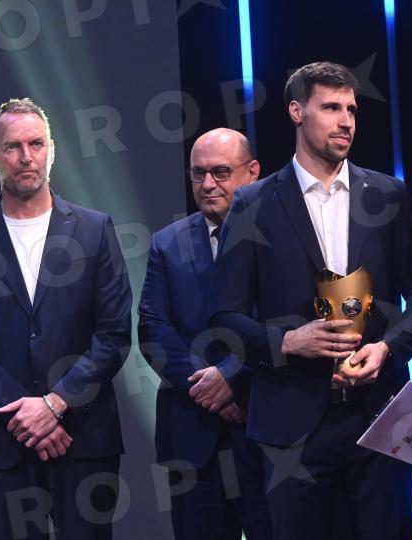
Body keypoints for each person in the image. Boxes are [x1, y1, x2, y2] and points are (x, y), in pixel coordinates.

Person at [208, 61, 412, 539]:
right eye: (331, 107)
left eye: (351, 110)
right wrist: (287, 342)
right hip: (291, 427)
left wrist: (388, 348)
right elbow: (225, 317)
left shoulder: (389, 195)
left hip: (378, 418)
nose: (346, 121)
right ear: (296, 111)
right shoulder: (253, 203)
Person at [0, 98, 132, 539]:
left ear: (52, 150)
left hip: (83, 436)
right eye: (12, 147)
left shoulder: (94, 230)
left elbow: (113, 333)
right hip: (0, 440)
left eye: (36, 144)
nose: (26, 157)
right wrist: (28, 414)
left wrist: (56, 404)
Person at [138, 128, 271, 539]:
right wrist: (207, 385)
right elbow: (152, 328)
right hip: (192, 437)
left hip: (266, 429)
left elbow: (289, 321)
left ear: (252, 172)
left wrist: (233, 377)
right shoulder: (166, 243)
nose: (208, 184)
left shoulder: (283, 237)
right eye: (198, 174)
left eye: (220, 172)